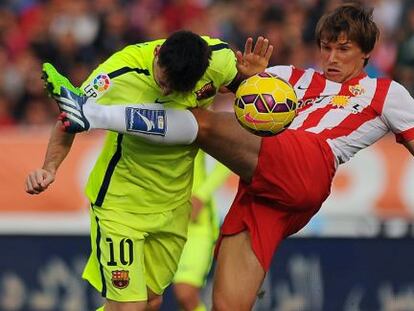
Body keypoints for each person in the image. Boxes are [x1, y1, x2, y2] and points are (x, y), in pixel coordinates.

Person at [37, 3, 414, 311]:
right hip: (264, 188)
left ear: (367, 51)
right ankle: (90, 112)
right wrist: (248, 81)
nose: (332, 58)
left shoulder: (387, 93)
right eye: (326, 47)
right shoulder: (289, 76)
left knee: (202, 125)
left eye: (343, 49)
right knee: (228, 305)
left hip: (311, 162)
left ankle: (92, 115)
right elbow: (234, 97)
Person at [25, 30, 273, 311]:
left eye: (176, 88)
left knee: (151, 302)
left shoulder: (219, 62)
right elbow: (70, 116)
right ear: (157, 54)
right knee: (130, 306)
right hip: (120, 207)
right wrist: (50, 167)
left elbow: (243, 90)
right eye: (163, 81)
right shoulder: (117, 74)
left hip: (174, 205)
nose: (166, 92)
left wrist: (253, 80)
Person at [173, 150, 230, 311]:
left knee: (186, 294)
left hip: (197, 225)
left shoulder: (193, 124)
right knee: (148, 298)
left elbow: (227, 160)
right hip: (160, 221)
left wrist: (201, 195)